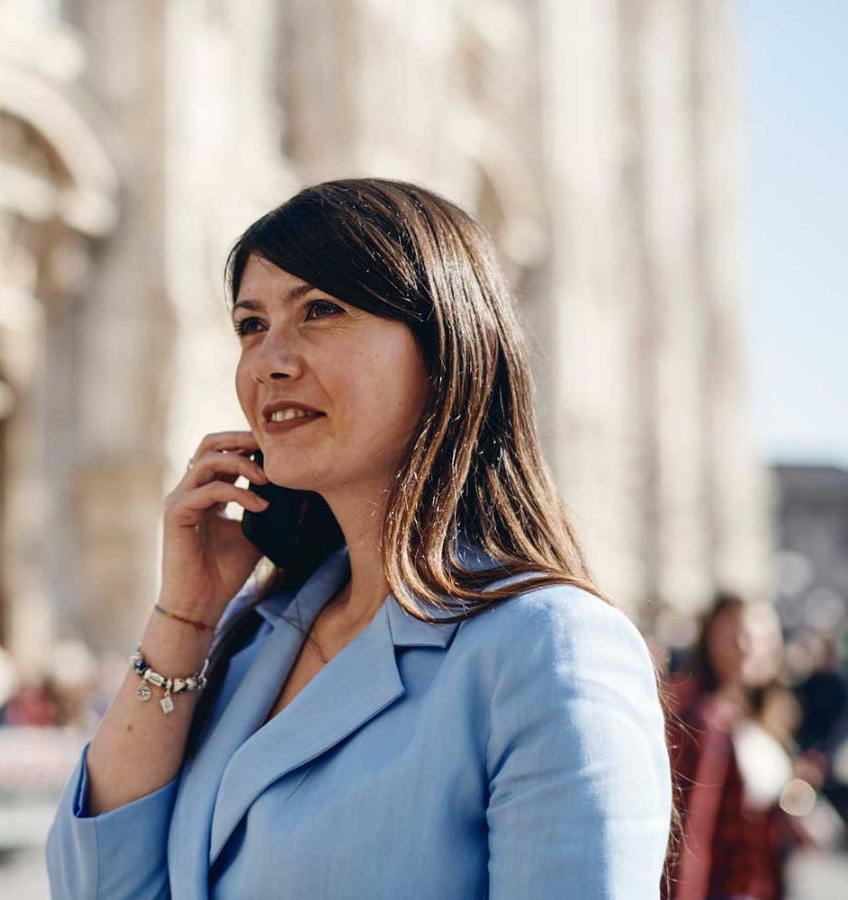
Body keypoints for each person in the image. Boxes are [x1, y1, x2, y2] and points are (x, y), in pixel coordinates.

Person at [45, 178, 673, 898]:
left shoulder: (547, 648)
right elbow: (98, 888)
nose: (269, 362)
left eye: (320, 311)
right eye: (251, 325)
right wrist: (186, 616)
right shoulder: (255, 642)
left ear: (445, 348)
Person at [662, 593, 827, 900]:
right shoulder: (704, 720)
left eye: (759, 636)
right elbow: (690, 836)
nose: (747, 647)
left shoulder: (766, 715)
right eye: (736, 636)